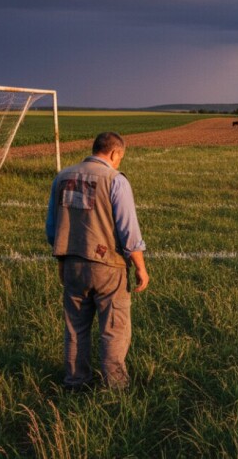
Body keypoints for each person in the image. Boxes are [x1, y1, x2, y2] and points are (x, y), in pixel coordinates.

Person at [45, 132, 149, 391]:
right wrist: (140, 267)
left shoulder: (62, 177)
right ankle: (116, 386)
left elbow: (51, 228)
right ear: (114, 154)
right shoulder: (116, 180)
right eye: (120, 158)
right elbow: (129, 232)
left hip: (71, 263)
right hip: (108, 266)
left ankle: (75, 382)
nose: (119, 163)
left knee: (75, 328)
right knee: (114, 328)